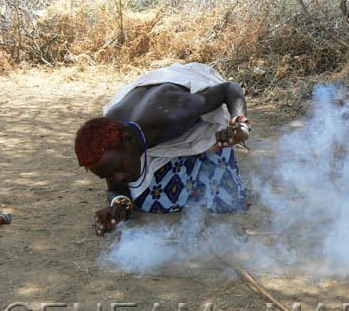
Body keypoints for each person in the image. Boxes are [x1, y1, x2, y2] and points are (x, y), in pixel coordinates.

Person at [74, 63, 251, 235]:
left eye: (119, 169)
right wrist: (119, 205)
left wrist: (240, 126)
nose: (119, 178)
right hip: (152, 118)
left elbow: (230, 89)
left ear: (129, 140)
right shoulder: (112, 144)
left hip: (191, 97)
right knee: (153, 201)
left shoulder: (170, 114)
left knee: (225, 200)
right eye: (110, 175)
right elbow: (117, 187)